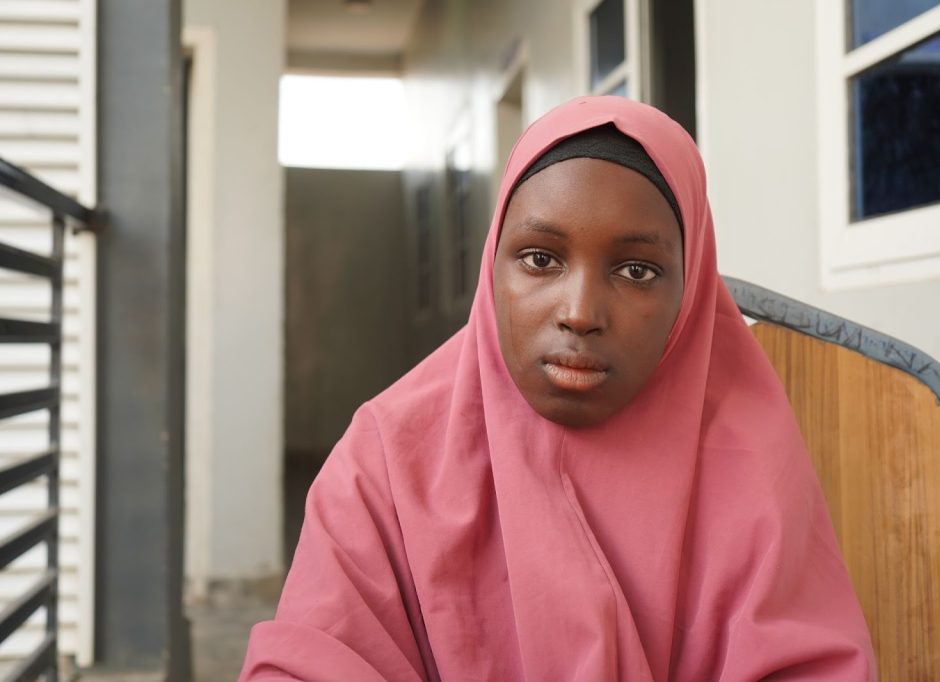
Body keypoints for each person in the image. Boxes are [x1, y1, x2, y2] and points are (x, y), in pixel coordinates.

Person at [240, 96, 876, 681]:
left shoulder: (748, 461)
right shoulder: (386, 457)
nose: (579, 311)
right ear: (493, 266)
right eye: (540, 259)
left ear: (690, 291)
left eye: (636, 270)